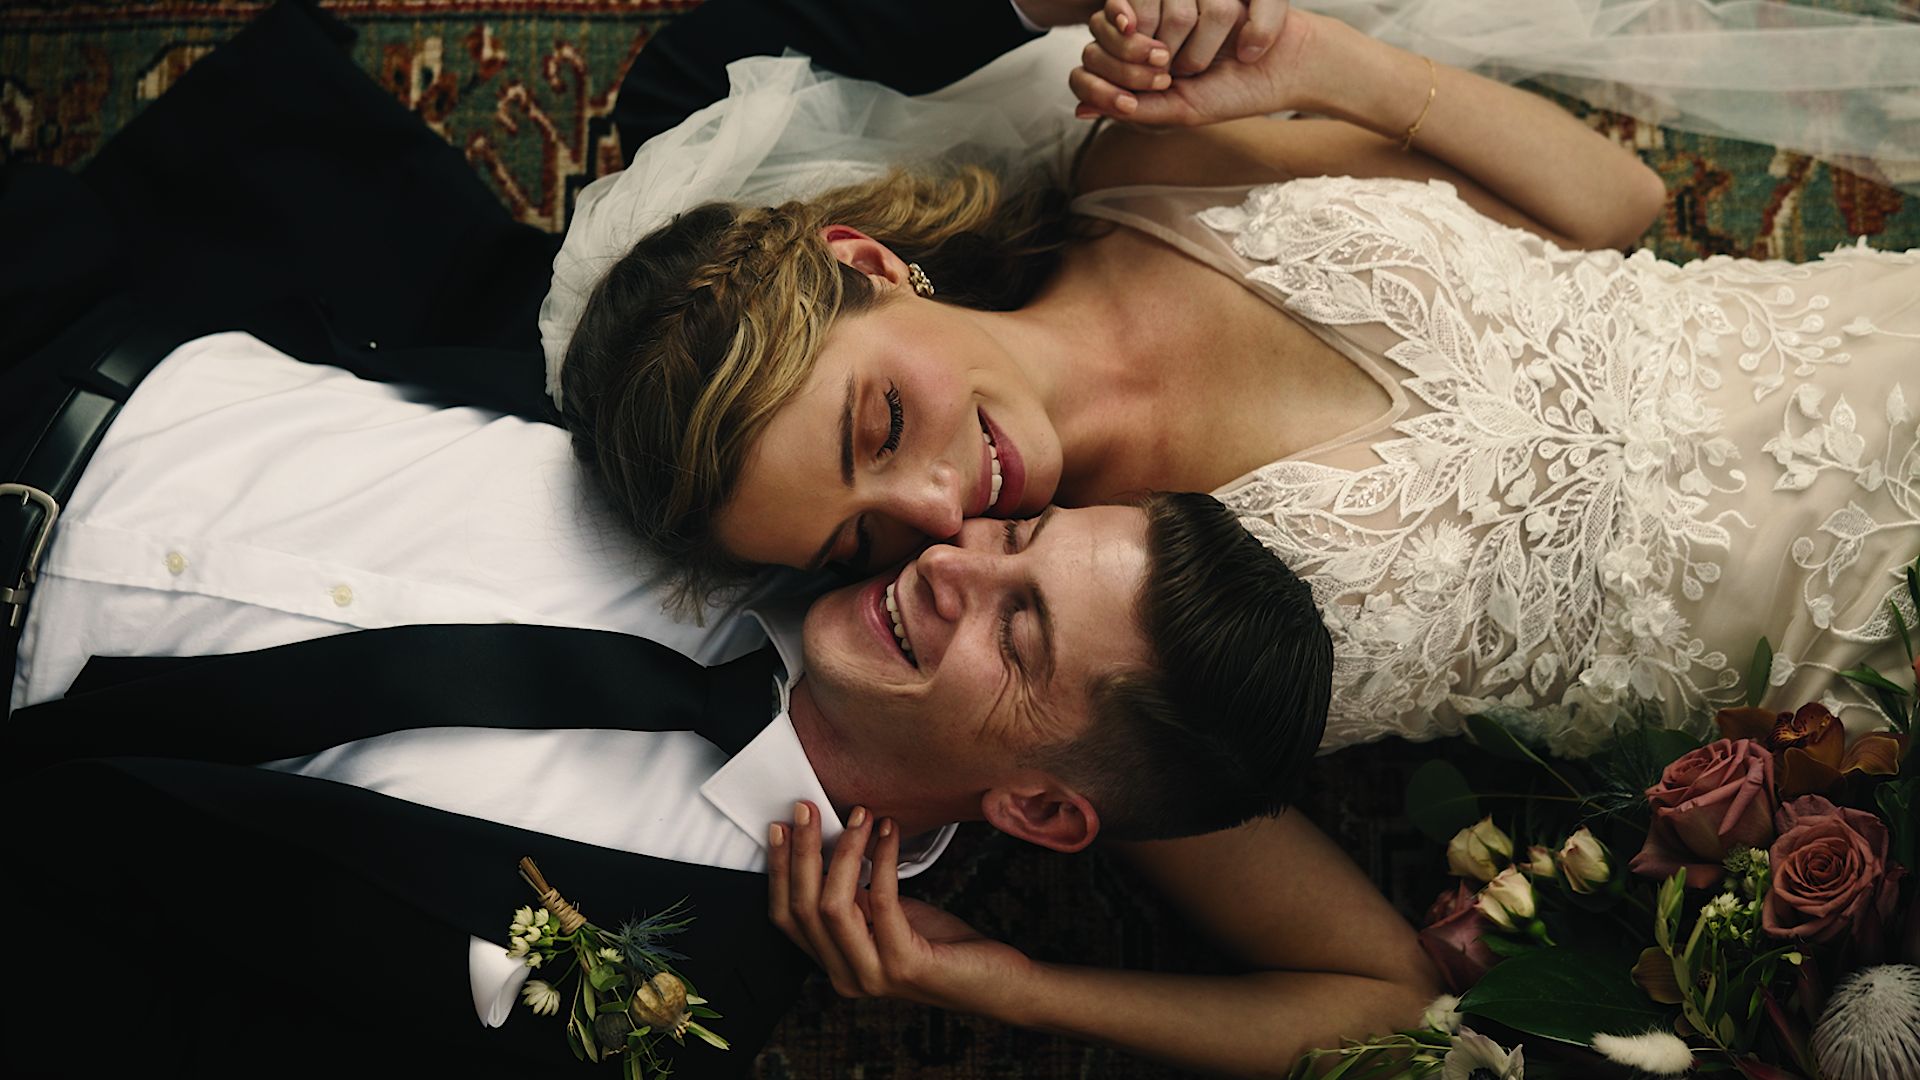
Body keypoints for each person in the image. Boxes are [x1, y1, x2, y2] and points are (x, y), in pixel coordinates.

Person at [551, 0, 1918, 758]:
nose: (936, 499)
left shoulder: (1143, 167)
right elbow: (1366, 992)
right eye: (859, 536)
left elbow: (1618, 204)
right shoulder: (1089, 642)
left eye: (879, 420)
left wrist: (1333, 66)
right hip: (1854, 675)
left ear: (871, 261)